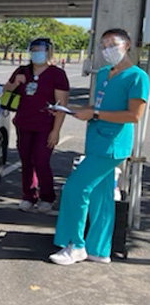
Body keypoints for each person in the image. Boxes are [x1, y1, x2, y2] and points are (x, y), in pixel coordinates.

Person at [50, 29, 148, 265]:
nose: (107, 50)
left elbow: (134, 115)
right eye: (103, 45)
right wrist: (75, 110)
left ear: (126, 46)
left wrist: (94, 112)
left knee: (75, 188)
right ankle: (99, 249)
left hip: (112, 146)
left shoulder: (137, 77)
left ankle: (76, 245)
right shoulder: (105, 73)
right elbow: (99, 105)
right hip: (97, 140)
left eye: (112, 44)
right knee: (101, 196)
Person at [3, 38, 69, 213]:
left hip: (45, 125)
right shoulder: (23, 70)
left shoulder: (57, 74)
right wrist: (16, 82)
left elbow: (61, 105)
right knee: (26, 161)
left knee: (40, 160)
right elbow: (6, 91)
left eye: (40, 50)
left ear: (49, 51)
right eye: (33, 50)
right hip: (24, 123)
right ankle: (28, 195)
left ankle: (47, 197)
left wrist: (56, 131)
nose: (36, 53)